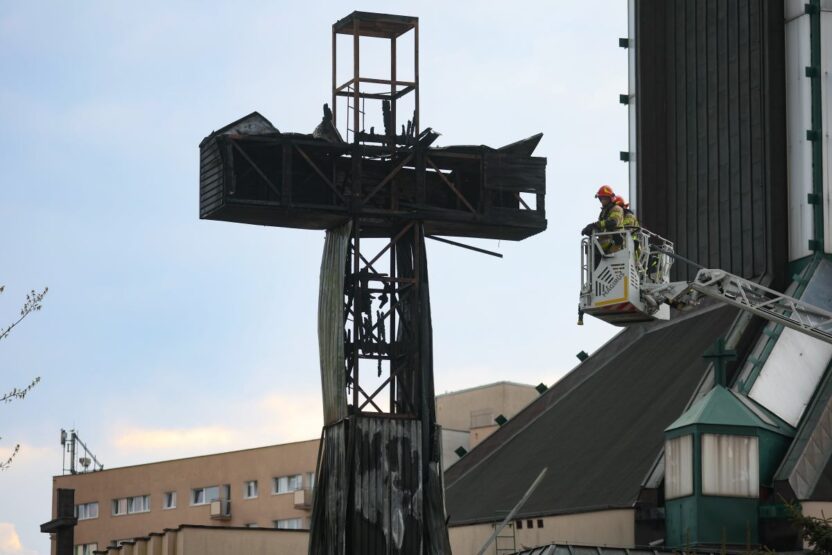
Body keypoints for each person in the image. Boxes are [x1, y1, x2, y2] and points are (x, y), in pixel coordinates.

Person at [581, 185, 623, 253]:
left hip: (614, 243)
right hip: (605, 244)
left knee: (595, 249)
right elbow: (601, 227)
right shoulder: (603, 213)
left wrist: (594, 225)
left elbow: (612, 223)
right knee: (590, 247)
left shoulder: (616, 209)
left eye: (604, 198)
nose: (602, 201)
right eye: (601, 198)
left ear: (610, 198)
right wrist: (591, 230)